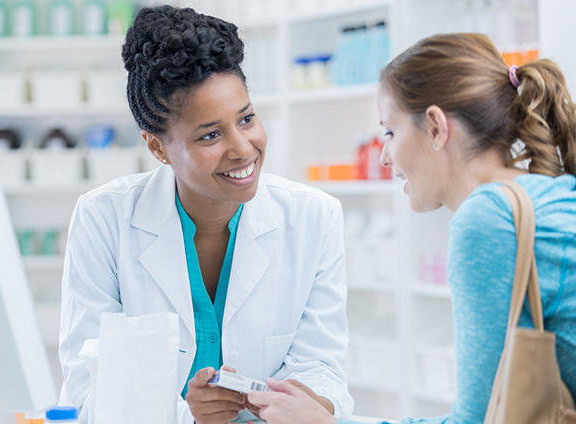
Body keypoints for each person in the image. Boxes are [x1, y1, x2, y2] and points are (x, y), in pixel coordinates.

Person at [248, 32, 576, 423]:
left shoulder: (488, 218)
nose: (384, 157)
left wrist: (326, 422)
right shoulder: (551, 192)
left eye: (390, 132)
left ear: (436, 127)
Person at [57, 5, 354, 423]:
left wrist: (302, 400)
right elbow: (87, 393)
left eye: (246, 119)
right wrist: (187, 416)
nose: (243, 149)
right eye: (210, 135)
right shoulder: (104, 221)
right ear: (157, 147)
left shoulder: (314, 217)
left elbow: (322, 367)